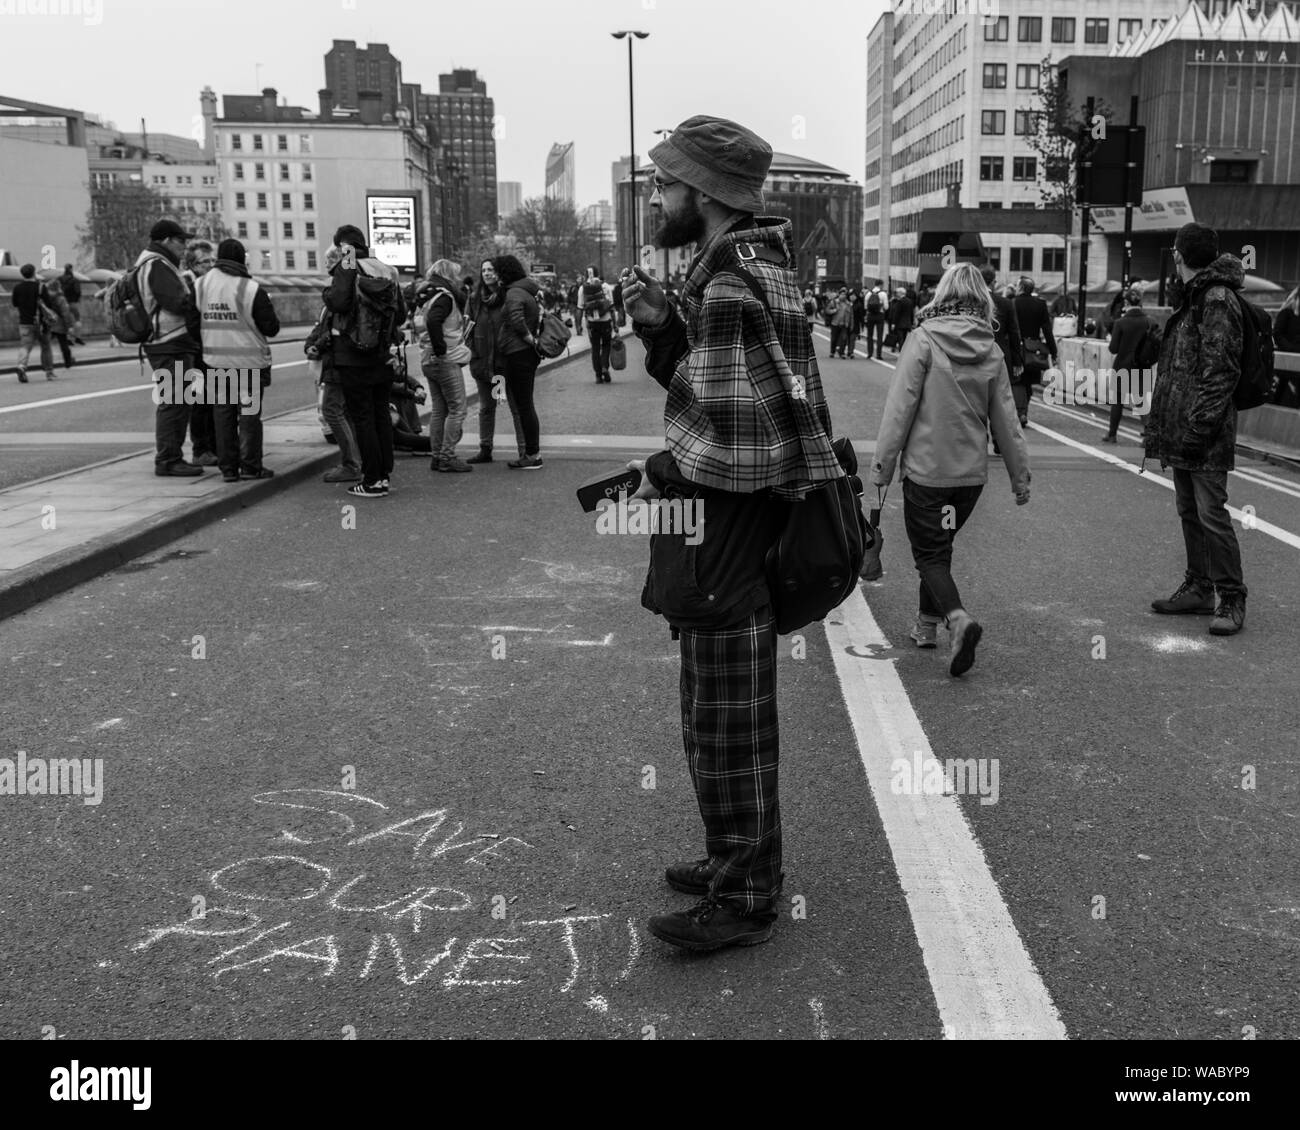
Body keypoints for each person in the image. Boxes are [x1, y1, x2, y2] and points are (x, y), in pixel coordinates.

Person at [621, 115, 842, 952]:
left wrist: (662, 470)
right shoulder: (747, 266)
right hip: (738, 525)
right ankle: (730, 859)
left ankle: (746, 892)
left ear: (705, 195)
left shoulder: (727, 280)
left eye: (668, 184)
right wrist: (659, 327)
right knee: (717, 705)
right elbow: (729, 391)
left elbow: (734, 439)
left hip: (728, 527)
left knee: (728, 715)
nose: (658, 196)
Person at [870, 263, 1031, 675]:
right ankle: (926, 626)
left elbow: (899, 409)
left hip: (928, 473)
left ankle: (957, 620)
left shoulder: (923, 340)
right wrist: (1019, 476)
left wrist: (882, 467)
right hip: (969, 479)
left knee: (929, 555)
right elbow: (1006, 421)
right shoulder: (991, 349)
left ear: (942, 294)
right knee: (940, 549)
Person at [1143, 222, 1248, 636]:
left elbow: (1220, 371)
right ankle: (1200, 588)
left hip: (1203, 433)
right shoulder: (1193, 296)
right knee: (1190, 511)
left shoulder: (1216, 298)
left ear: (1178, 255)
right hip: (1184, 429)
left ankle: (1232, 598)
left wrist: (1198, 429)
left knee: (1211, 513)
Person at [324, 223, 405, 497]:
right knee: (380, 414)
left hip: (353, 353)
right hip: (382, 353)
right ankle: (383, 476)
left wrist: (328, 293)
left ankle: (371, 480)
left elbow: (339, 302)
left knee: (362, 417)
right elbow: (402, 315)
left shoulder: (348, 263)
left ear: (342, 246)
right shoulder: (385, 268)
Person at [195, 238, 280, 482]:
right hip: (249, 365)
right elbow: (271, 327)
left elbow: (192, 322)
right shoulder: (250, 288)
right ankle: (251, 466)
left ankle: (229, 469)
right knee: (249, 416)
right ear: (241, 259)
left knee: (222, 416)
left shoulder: (200, 286)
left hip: (215, 363)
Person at [139, 219, 205, 476]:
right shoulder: (157, 264)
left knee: (177, 399)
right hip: (169, 340)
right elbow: (176, 302)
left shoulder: (152, 261)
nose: (184, 247)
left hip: (166, 341)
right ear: (166, 240)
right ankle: (168, 459)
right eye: (180, 241)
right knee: (174, 401)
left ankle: (171, 456)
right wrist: (194, 301)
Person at [307, 249, 362, 483]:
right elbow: (324, 327)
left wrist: (318, 345)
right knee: (345, 411)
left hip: (339, 360)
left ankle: (351, 464)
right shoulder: (347, 287)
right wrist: (314, 343)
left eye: (331, 258)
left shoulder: (342, 291)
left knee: (332, 409)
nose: (326, 262)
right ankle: (357, 460)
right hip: (344, 359)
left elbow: (333, 329)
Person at [415, 257, 472, 473]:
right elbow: (434, 322)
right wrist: (441, 350)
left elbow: (426, 323)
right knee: (458, 409)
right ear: (448, 275)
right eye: (454, 274)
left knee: (440, 409)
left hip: (428, 358)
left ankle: (437, 455)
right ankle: (447, 456)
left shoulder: (426, 297)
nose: (457, 279)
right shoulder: (445, 297)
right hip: (444, 359)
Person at [494, 255, 545, 470]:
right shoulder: (527, 289)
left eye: (497, 272)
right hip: (523, 353)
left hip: (518, 353)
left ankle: (532, 455)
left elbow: (516, 319)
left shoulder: (514, 292)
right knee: (526, 404)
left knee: (524, 405)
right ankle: (532, 453)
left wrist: (529, 339)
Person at [465, 258, 510, 464]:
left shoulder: (507, 296)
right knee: (486, 407)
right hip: (482, 362)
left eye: (491, 269)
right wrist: (472, 353)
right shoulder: (475, 299)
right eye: (484, 270)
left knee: (509, 404)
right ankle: (485, 448)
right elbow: (467, 329)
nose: (487, 273)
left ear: (498, 273)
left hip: (502, 363)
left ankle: (525, 449)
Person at [181, 240, 219, 467]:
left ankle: (214, 446)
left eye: (213, 260)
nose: (211, 265)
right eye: (206, 261)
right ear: (193, 264)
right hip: (193, 350)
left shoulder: (211, 282)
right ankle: (201, 449)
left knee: (213, 400)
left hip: (209, 348)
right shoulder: (187, 282)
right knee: (199, 402)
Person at [980, 265, 1023, 454]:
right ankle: (999, 441)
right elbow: (1014, 334)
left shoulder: (972, 302)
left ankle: (981, 440)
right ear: (994, 281)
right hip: (1000, 357)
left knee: (977, 400)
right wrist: (1017, 361)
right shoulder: (1005, 303)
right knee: (999, 402)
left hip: (977, 357)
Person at [1104, 288, 1154, 444]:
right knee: (1141, 403)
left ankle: (1112, 435)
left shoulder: (1120, 322)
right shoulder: (1149, 322)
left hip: (1123, 366)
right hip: (1142, 366)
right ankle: (1148, 436)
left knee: (1118, 401)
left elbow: (1113, 348)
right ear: (1140, 302)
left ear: (1126, 303)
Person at [1012, 277, 1057, 427]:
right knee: (1029, 382)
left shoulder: (1013, 303)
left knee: (1018, 381)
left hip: (1017, 348)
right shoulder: (1040, 304)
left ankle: (1020, 412)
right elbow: (1047, 329)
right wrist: (1053, 351)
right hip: (1034, 349)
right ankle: (1024, 411)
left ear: (1021, 288)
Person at [11, 264, 54, 383]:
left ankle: (21, 366)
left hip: (25, 322)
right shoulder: (40, 287)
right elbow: (49, 304)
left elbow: (15, 303)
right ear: (34, 273)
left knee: (25, 346)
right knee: (45, 346)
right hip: (41, 322)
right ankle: (49, 372)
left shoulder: (17, 288)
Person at [581, 268, 615, 382]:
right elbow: (611, 306)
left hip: (592, 322)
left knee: (595, 348)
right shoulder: (606, 286)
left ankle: (598, 375)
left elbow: (581, 306)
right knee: (606, 345)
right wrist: (615, 324)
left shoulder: (583, 288)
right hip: (606, 321)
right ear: (598, 273)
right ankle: (605, 366)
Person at [1271, 286, 1300, 407]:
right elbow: (1277, 334)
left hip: (1297, 361)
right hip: (1285, 360)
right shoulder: (1286, 313)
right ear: (1296, 299)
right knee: (1280, 393)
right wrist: (1291, 349)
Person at [39, 277, 76, 370]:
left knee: (45, 345)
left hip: (48, 323)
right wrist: (70, 326)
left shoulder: (45, 298)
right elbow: (65, 313)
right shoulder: (61, 298)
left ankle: (45, 364)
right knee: (64, 344)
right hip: (59, 324)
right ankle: (68, 362)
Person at [59, 264, 86, 345]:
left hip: (62, 303)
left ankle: (68, 339)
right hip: (73, 302)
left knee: (67, 321)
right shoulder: (75, 280)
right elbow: (78, 292)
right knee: (77, 320)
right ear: (71, 269)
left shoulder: (59, 279)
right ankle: (78, 337)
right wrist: (77, 299)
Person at [827, 286, 854, 358]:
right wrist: (833, 311)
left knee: (843, 339)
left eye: (845, 294)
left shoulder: (848, 304)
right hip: (835, 323)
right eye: (842, 294)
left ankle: (842, 353)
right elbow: (827, 310)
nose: (843, 296)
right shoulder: (834, 302)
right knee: (834, 339)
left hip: (844, 324)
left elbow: (851, 315)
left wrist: (851, 325)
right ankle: (832, 352)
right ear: (839, 294)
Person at [886, 285, 914, 354]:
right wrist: (911, 322)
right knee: (904, 338)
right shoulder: (909, 301)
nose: (897, 294)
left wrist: (893, 323)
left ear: (901, 293)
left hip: (900, 323)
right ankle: (904, 351)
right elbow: (911, 313)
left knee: (900, 338)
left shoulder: (900, 301)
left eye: (898, 292)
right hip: (907, 323)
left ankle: (901, 352)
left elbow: (897, 313)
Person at [865, 282, 887, 359]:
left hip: (870, 315)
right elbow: (886, 307)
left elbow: (865, 306)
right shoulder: (883, 294)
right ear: (880, 285)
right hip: (880, 315)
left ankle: (870, 353)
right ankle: (878, 354)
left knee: (869, 335)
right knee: (879, 335)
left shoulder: (868, 294)